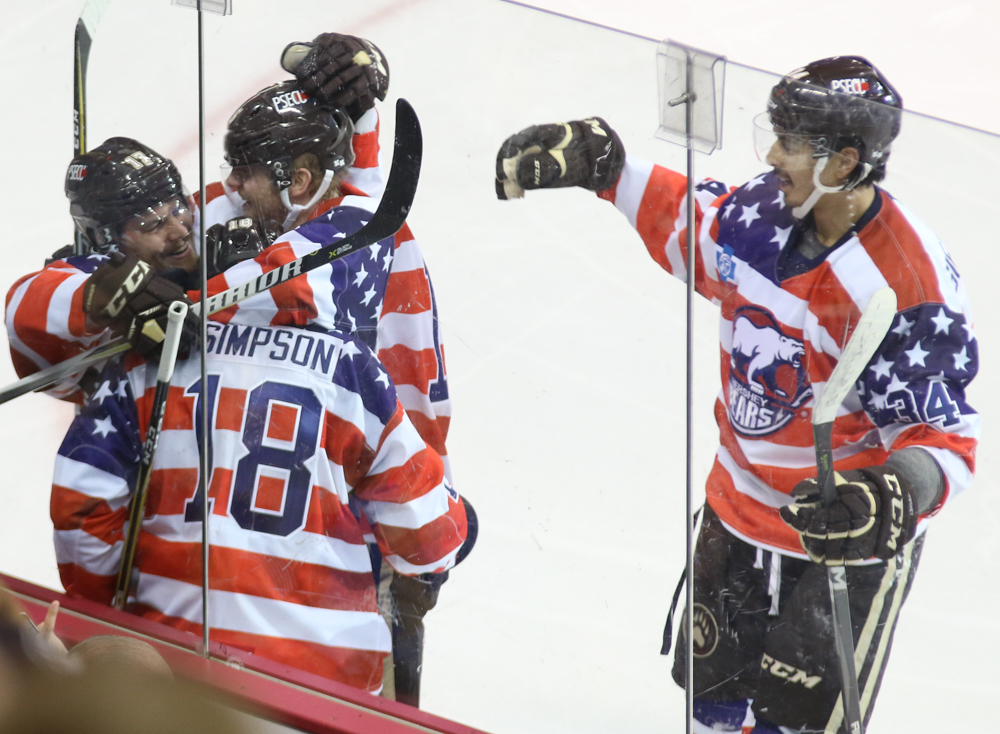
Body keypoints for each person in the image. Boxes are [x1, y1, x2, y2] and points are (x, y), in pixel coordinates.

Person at [494, 56, 978, 733]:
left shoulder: (902, 281)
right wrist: (610, 171)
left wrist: (894, 492)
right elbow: (694, 231)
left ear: (843, 162)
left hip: (836, 550)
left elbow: (946, 436)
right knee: (711, 711)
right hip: (737, 513)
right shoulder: (763, 213)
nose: (774, 155)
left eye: (793, 144)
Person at [50, 315, 468, 692]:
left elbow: (80, 506)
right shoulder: (347, 366)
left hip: (166, 671)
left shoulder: (155, 347)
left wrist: (111, 619)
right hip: (324, 689)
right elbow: (427, 540)